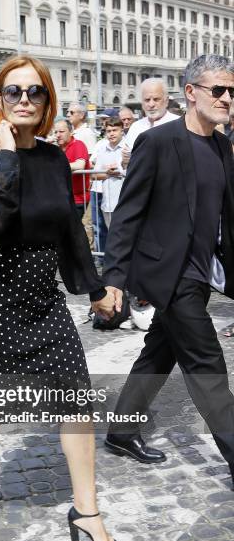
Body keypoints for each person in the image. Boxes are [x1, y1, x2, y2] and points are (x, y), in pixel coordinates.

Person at [0, 55, 131, 541]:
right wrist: (6, 154)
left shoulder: (56, 159)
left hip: (44, 298)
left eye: (34, 93)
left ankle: (87, 512)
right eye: (14, 92)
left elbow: (68, 231)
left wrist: (95, 288)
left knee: (76, 402)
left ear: (46, 102)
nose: (24, 100)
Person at [103, 54, 234, 487]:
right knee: (207, 364)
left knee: (160, 351)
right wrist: (114, 279)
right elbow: (127, 214)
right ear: (191, 93)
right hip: (171, 276)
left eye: (232, 91)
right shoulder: (159, 142)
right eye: (219, 90)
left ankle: (122, 430)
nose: (227, 98)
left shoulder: (221, 145)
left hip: (202, 274)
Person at [121, 78, 179, 168]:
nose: (151, 104)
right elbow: (124, 164)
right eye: (147, 100)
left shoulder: (179, 125)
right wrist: (124, 162)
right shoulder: (136, 127)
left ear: (166, 101)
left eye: (156, 99)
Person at [92, 118, 125, 230]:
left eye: (114, 130)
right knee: (112, 236)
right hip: (108, 203)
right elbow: (94, 175)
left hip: (126, 202)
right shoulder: (102, 150)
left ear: (122, 130)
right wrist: (109, 173)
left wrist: (119, 170)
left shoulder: (128, 148)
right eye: (109, 131)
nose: (111, 134)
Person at [54, 118, 90, 219]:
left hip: (78, 199)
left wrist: (57, 166)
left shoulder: (78, 144)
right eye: (56, 132)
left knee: (72, 231)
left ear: (71, 132)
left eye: (61, 131)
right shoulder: (56, 149)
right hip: (61, 198)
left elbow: (79, 165)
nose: (58, 135)